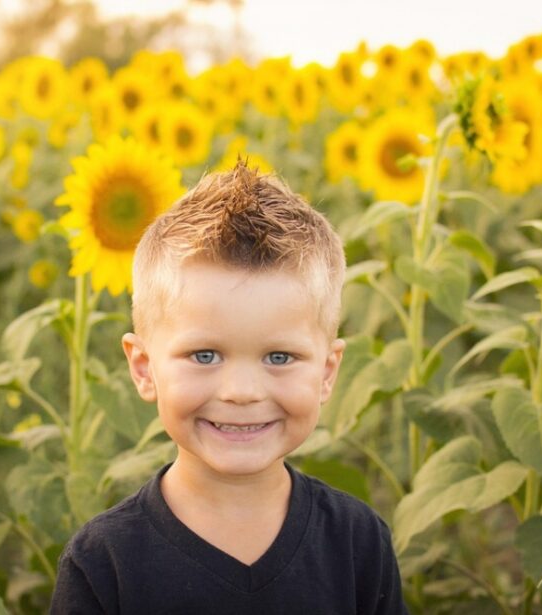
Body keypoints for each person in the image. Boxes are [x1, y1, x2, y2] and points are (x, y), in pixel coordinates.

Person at [50, 161, 408, 614]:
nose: (241, 391)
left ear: (327, 372)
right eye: (205, 355)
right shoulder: (104, 562)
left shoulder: (358, 544)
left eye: (279, 357)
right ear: (144, 368)